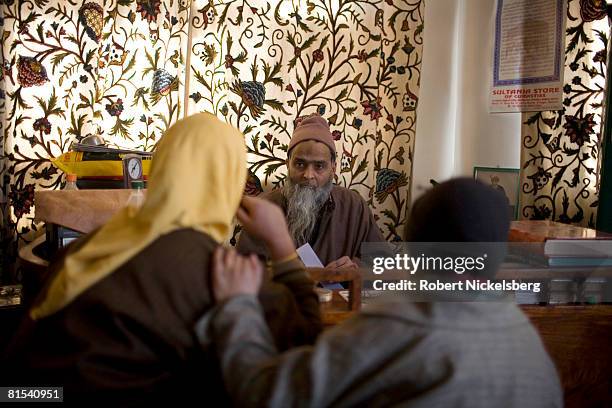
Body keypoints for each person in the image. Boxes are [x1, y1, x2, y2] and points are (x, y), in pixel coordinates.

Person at [1, 113, 321, 404]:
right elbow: (306, 340)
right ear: (230, 181)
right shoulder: (223, 273)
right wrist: (281, 244)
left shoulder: (94, 245)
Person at [200, 178, 562, 407]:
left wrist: (237, 306)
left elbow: (264, 394)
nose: (309, 175)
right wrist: (283, 248)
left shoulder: (395, 326)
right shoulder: (527, 340)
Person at [237, 113, 384, 269]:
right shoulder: (263, 209)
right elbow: (241, 273)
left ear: (333, 168)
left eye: (319, 166)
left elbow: (385, 266)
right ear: (288, 164)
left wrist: (355, 268)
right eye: (300, 164)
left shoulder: (354, 207)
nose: (308, 175)